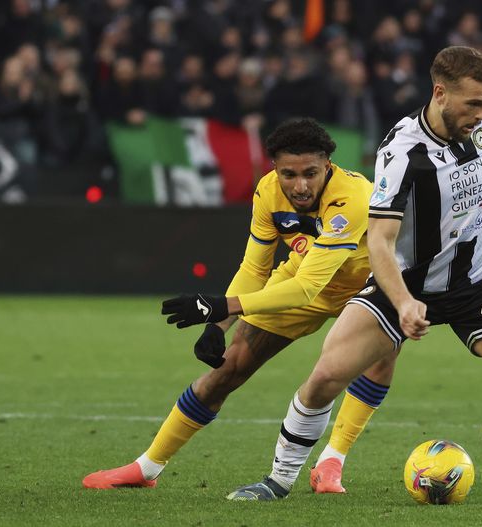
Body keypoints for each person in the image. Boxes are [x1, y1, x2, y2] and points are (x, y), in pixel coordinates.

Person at [226, 46, 482, 502]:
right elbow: (380, 243)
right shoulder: (403, 154)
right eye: (474, 104)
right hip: (403, 285)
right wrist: (403, 302)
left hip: (476, 281)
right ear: (440, 94)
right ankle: (278, 479)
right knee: (326, 376)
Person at [83, 118, 394, 492]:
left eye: (310, 173)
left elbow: (306, 288)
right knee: (227, 369)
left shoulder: (353, 196)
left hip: (370, 286)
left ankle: (331, 462)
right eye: (288, 174)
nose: (300, 186)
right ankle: (147, 467)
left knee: (376, 360)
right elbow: (254, 268)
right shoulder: (267, 192)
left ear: (328, 165)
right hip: (300, 279)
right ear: (274, 169)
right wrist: (218, 325)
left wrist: (219, 305)